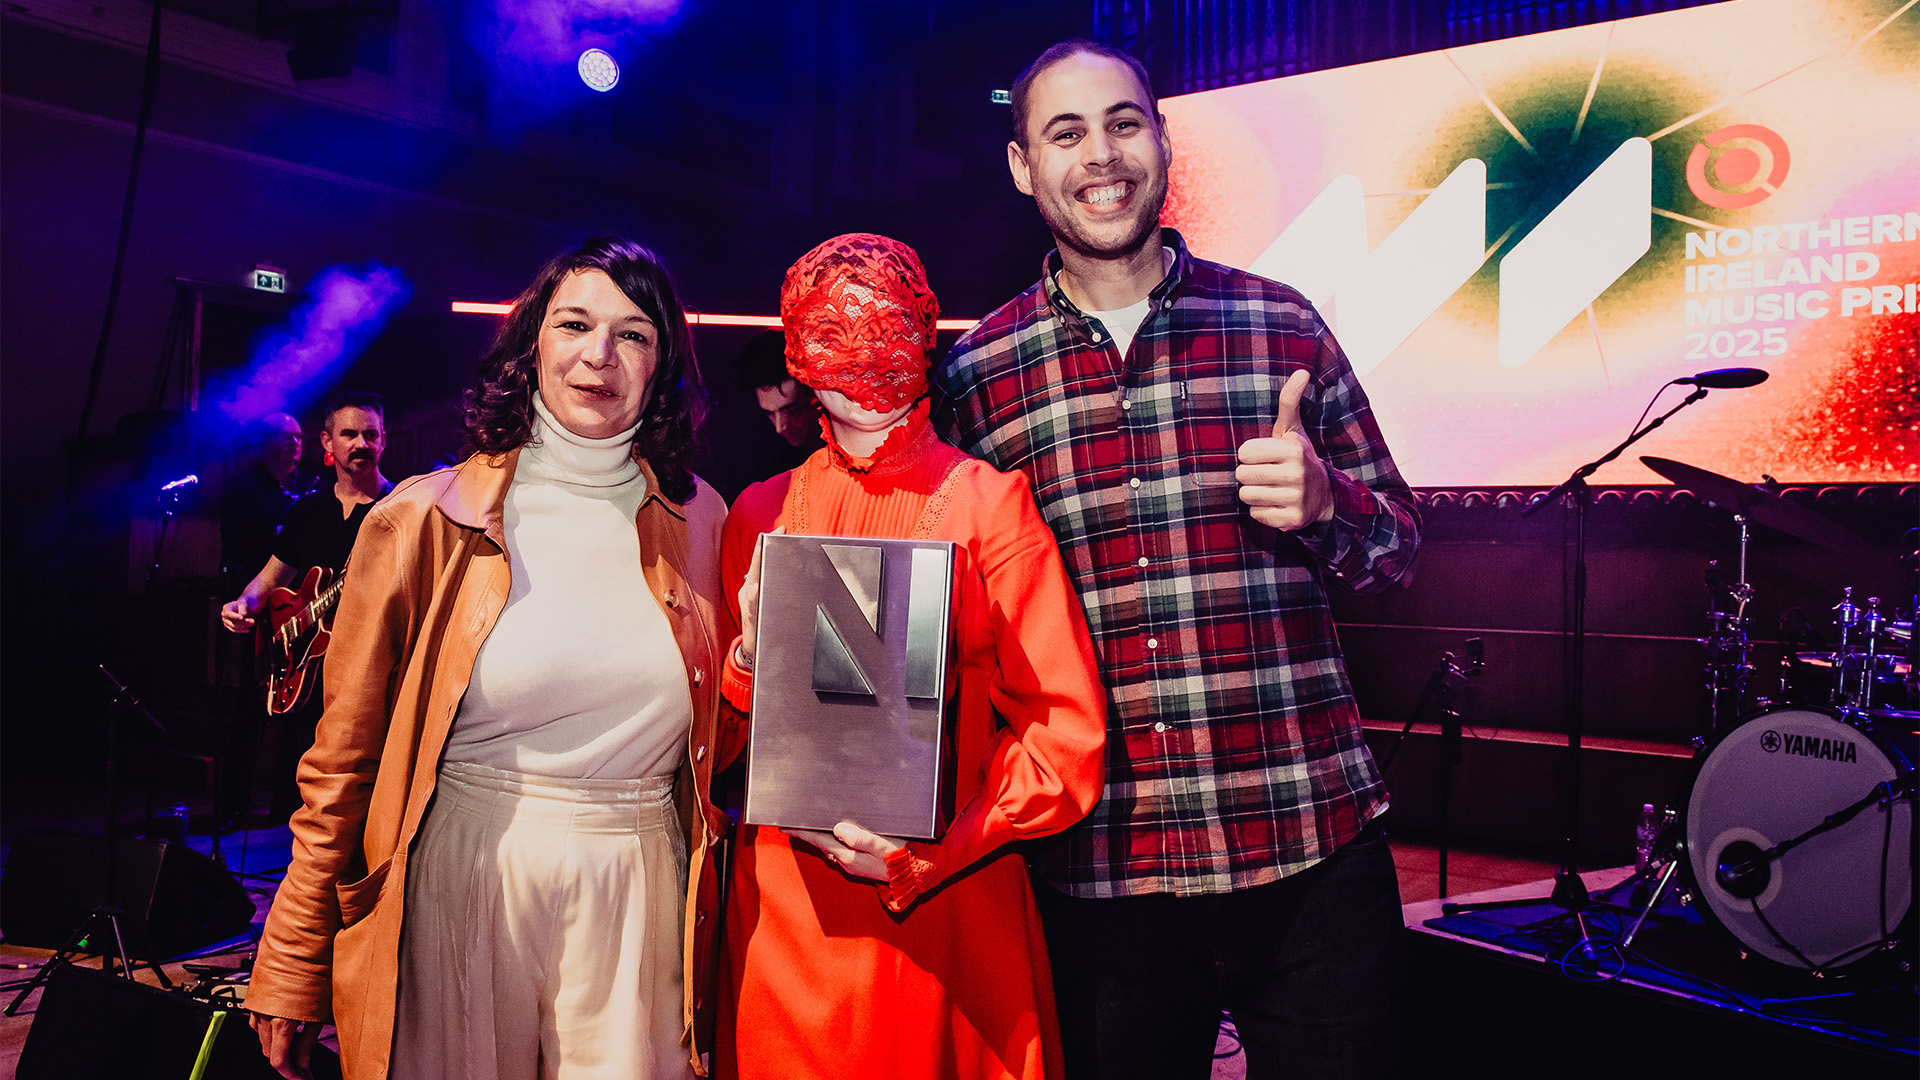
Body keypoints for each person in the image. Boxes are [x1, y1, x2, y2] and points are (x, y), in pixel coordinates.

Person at [931, 41, 1422, 1080]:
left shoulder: (1279, 322)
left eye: (1123, 123)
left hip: (1307, 848)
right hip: (1103, 872)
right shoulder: (980, 373)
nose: (1101, 155)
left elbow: (1398, 550)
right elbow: (957, 624)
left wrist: (1330, 504)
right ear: (1023, 166)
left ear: (1160, 141)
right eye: (1065, 133)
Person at [243, 236, 733, 1080]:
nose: (599, 355)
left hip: (641, 883)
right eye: (575, 323)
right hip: (465, 876)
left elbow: (714, 740)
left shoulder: (702, 518)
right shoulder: (424, 519)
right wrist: (293, 951)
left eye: (634, 333)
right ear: (533, 342)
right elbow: (341, 761)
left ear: (663, 364)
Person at [715, 233, 1108, 1080]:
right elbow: (716, 745)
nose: (859, 355)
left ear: (921, 335)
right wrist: (748, 660)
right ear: (796, 350)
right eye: (831, 331)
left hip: (947, 905)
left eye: (883, 328)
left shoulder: (988, 505)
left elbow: (1065, 734)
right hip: (788, 912)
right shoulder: (758, 512)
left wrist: (941, 849)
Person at [219, 393, 392, 819]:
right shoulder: (309, 510)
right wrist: (242, 603)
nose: (360, 444)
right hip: (309, 666)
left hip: (369, 668)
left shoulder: (398, 510)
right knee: (307, 787)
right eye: (348, 434)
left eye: (370, 435)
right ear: (327, 444)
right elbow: (271, 578)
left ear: (383, 441)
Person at [213, 411, 305, 827]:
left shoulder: (308, 491)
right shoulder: (245, 489)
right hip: (259, 610)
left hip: (301, 610)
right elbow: (249, 546)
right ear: (266, 441)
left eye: (299, 437)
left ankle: (286, 806)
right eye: (286, 437)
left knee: (299, 708)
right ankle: (231, 806)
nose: (294, 444)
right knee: (249, 711)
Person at [734, 328, 823, 468]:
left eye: (792, 409)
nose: (780, 427)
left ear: (819, 394)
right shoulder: (770, 466)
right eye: (770, 413)